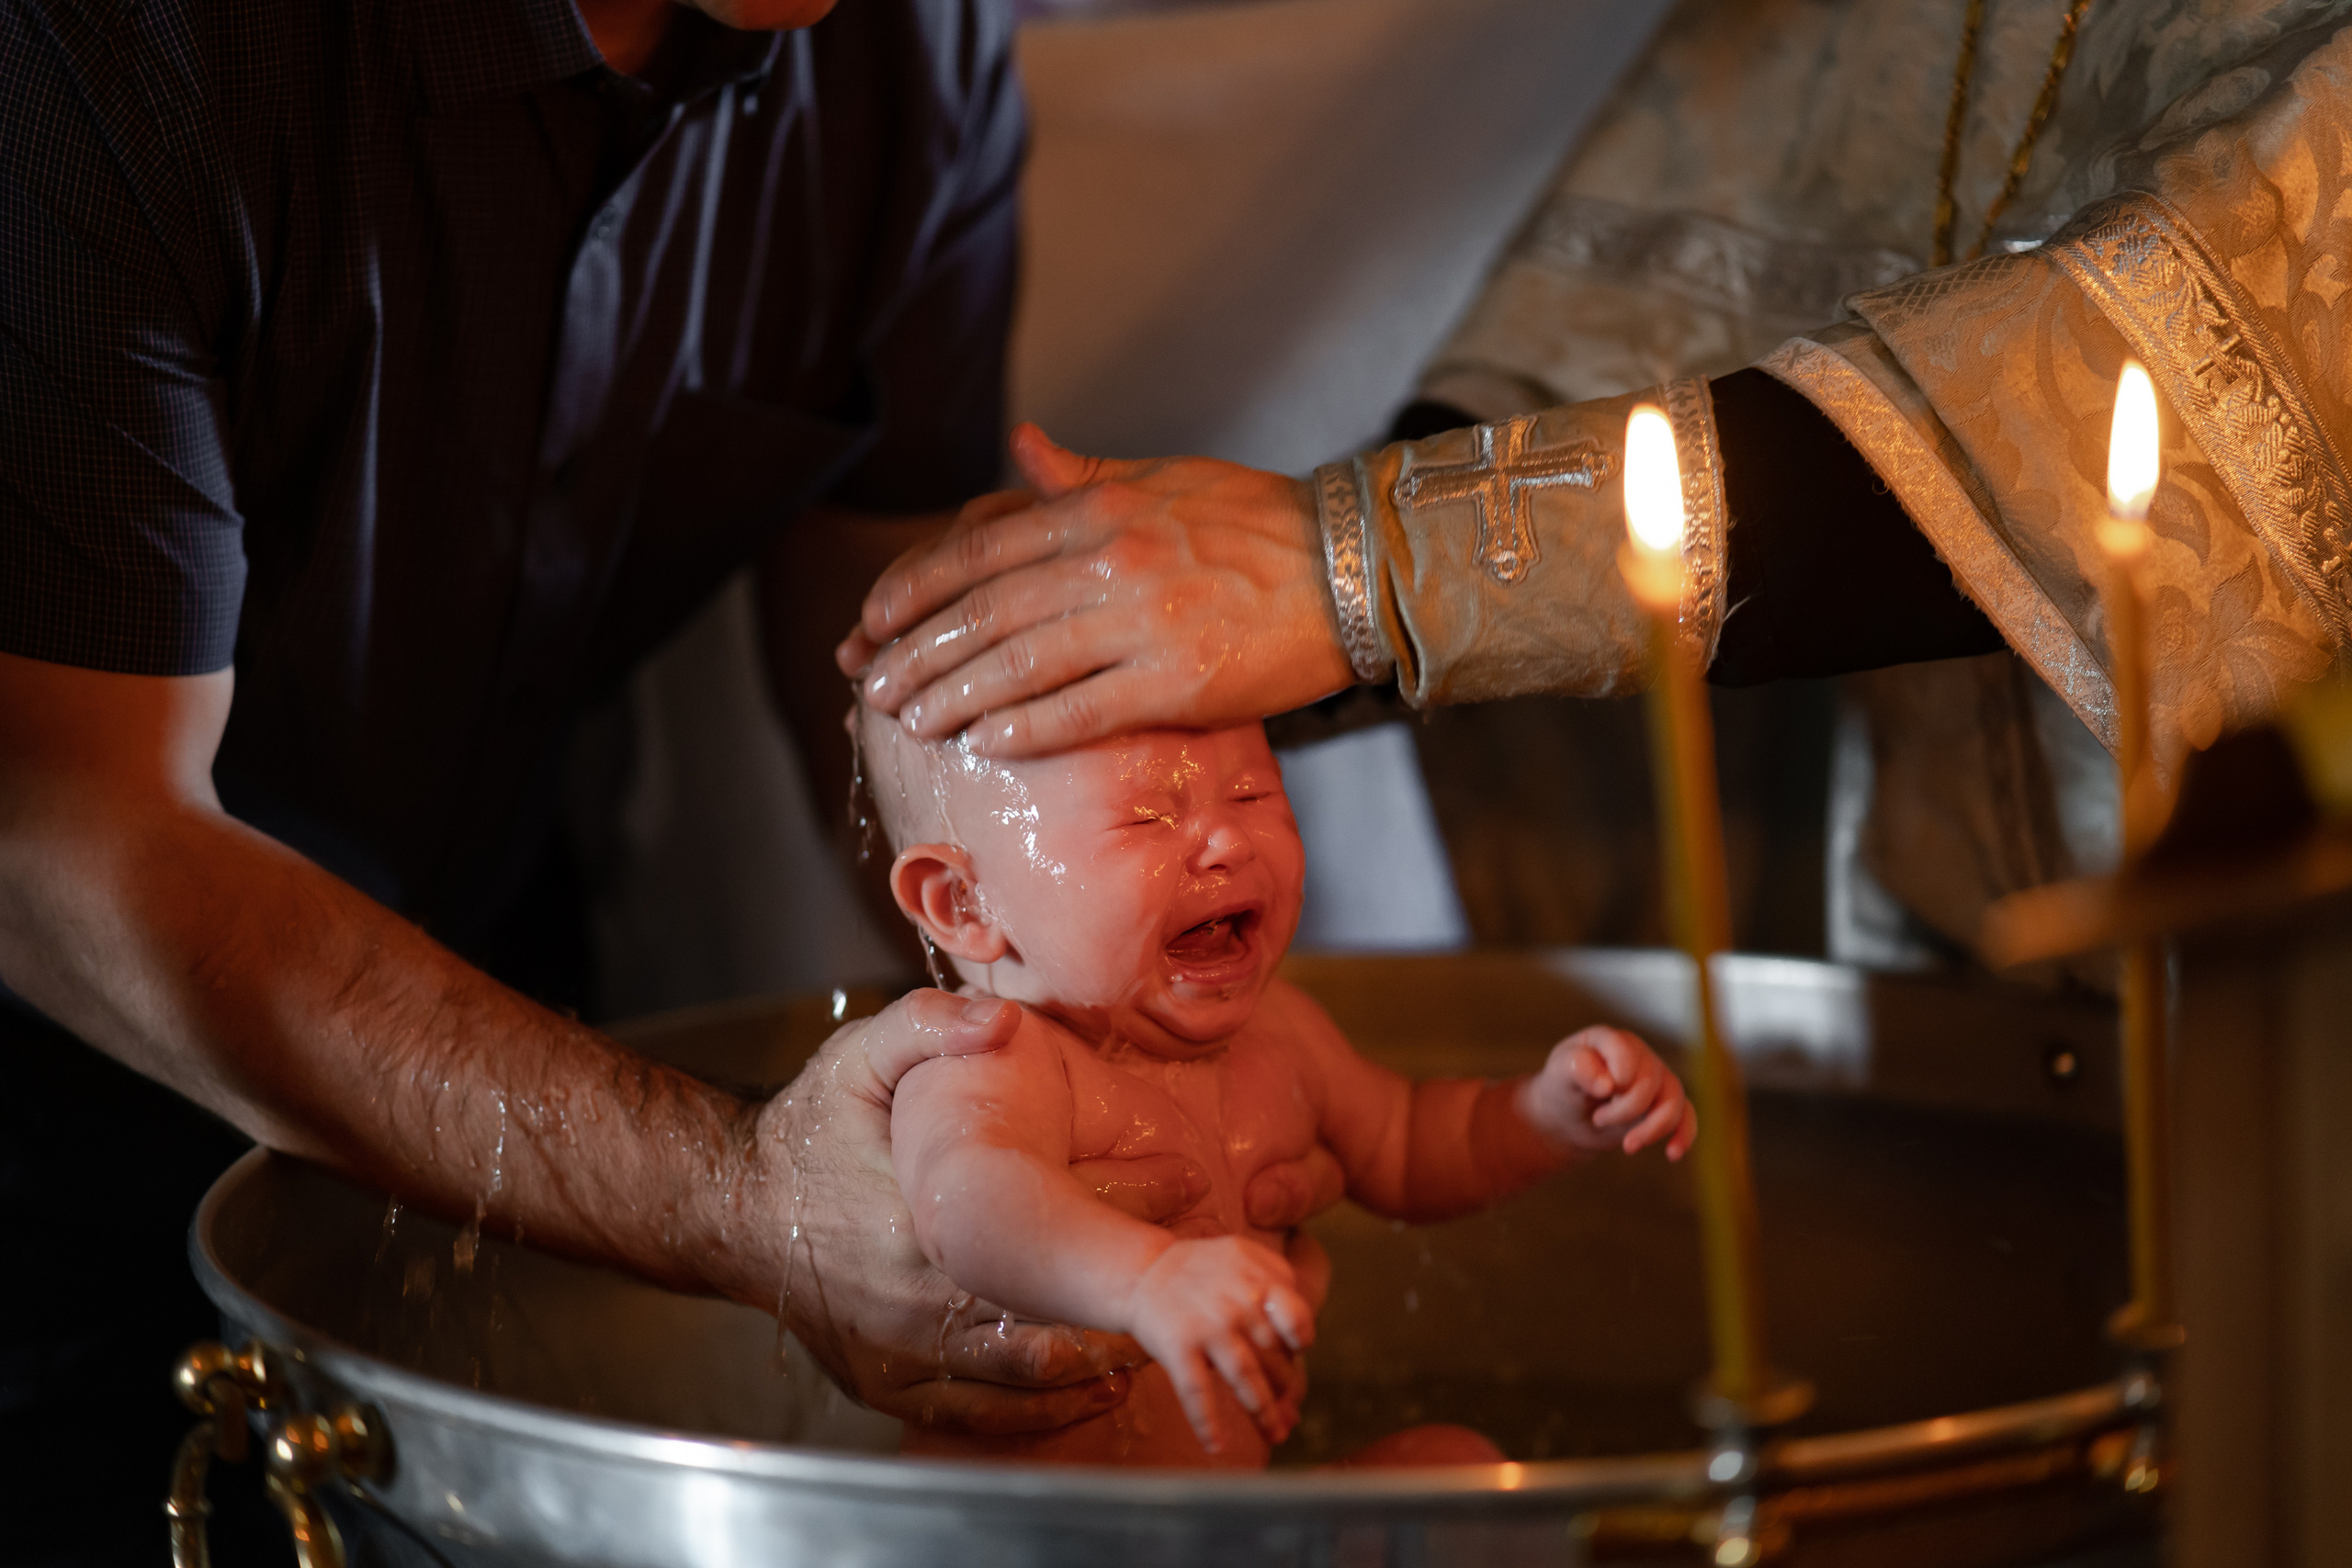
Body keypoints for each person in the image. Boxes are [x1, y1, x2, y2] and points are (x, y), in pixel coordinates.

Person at [0, 0, 1336, 1557]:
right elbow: (66, 839)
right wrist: (749, 1198)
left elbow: (898, 664)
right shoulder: (104, 56)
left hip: (495, 1010)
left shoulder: (907, 51)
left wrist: (1119, 1094)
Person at [840, 0, 2351, 967]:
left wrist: (1350, 574)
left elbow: (2162, 394)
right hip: (1957, 953)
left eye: (1227, 796)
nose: (1217, 829)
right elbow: (1666, 302)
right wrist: (1190, 636)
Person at [855, 703, 1694, 1464]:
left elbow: (1410, 1145)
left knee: (1454, 1467)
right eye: (1148, 816)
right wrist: (1146, 1278)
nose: (1228, 841)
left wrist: (1547, 1112)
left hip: (1230, 1532)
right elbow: (966, 1204)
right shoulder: (993, 1057)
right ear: (964, 901)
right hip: (1026, 1545)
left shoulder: (1281, 1035)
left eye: (1256, 795)